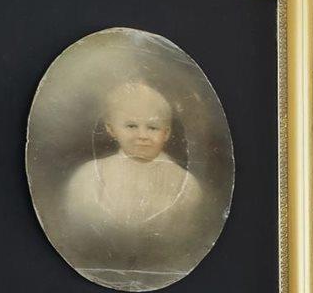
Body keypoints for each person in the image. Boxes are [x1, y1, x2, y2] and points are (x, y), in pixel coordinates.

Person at [59, 78, 208, 280]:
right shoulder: (89, 176)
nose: (142, 135)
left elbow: (185, 237)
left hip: (161, 267)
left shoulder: (185, 183)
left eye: (152, 127)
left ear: (166, 133)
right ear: (111, 129)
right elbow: (81, 228)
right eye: (131, 126)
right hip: (102, 265)